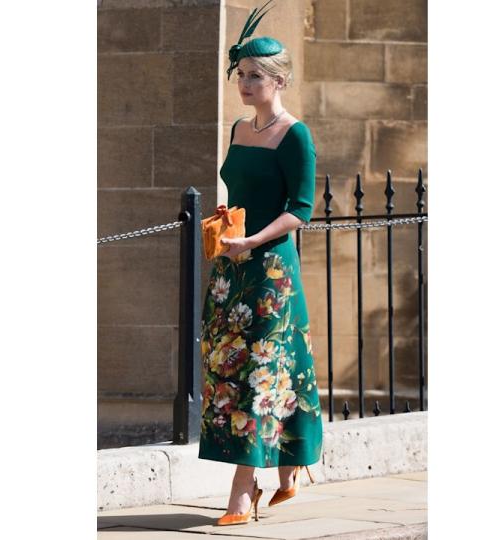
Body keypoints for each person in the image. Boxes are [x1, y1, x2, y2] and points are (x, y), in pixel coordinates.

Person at [197, 0, 323, 527]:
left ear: (280, 80)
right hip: (231, 268)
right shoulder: (237, 131)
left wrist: (254, 240)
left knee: (257, 376)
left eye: (255, 76)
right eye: (241, 75)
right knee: (229, 370)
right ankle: (291, 467)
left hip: (271, 272)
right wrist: (230, 221)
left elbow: (300, 209)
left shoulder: (295, 135)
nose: (245, 84)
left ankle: (240, 497)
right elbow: (243, 187)